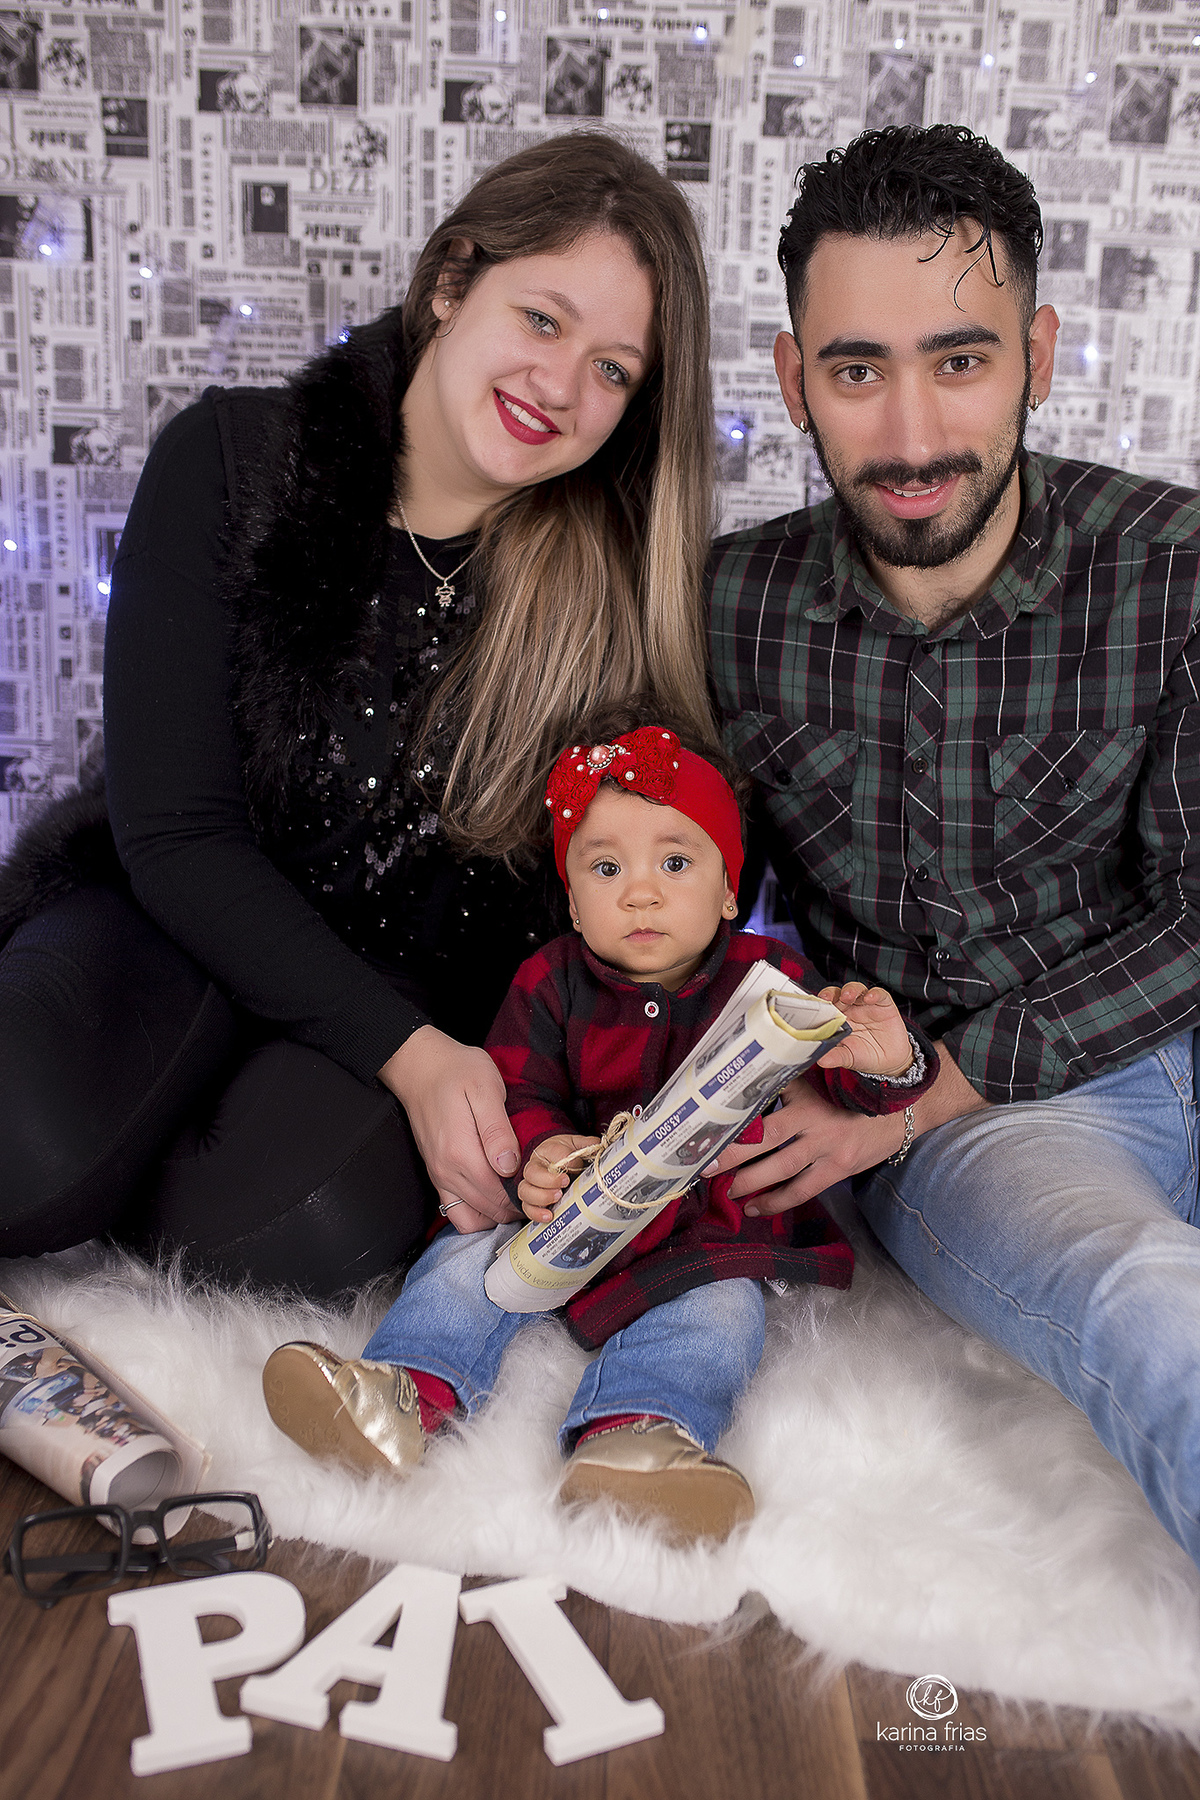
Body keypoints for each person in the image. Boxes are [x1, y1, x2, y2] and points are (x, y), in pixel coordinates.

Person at [0, 132, 717, 1299]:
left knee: (301, 1228)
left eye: (612, 370)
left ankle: (154, 1151)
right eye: (542, 320)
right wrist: (408, 1059)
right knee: (20, 1142)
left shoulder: (609, 590)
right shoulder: (236, 461)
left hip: (402, 989)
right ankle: (109, 1132)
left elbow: (612, 887)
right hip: (173, 917)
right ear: (451, 283)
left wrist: (445, 1066)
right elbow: (176, 835)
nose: (560, 386)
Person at [707, 122, 1200, 1568]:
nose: (914, 436)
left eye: (962, 359)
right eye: (858, 371)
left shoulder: (1177, 571)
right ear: (794, 378)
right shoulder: (723, 609)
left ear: (1037, 356)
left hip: (1099, 1030)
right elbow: (676, 899)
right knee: (1143, 1301)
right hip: (979, 1118)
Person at [261, 711, 936, 1542]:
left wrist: (886, 1059)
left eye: (675, 863)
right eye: (606, 868)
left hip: (702, 1232)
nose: (640, 892)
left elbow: (849, 1094)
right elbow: (519, 1086)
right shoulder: (549, 980)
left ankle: (637, 1435)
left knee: (723, 1314)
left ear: (729, 889)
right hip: (564, 1218)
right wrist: (540, 1154)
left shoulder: (772, 978)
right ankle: (401, 1389)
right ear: (575, 903)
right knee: (465, 1257)